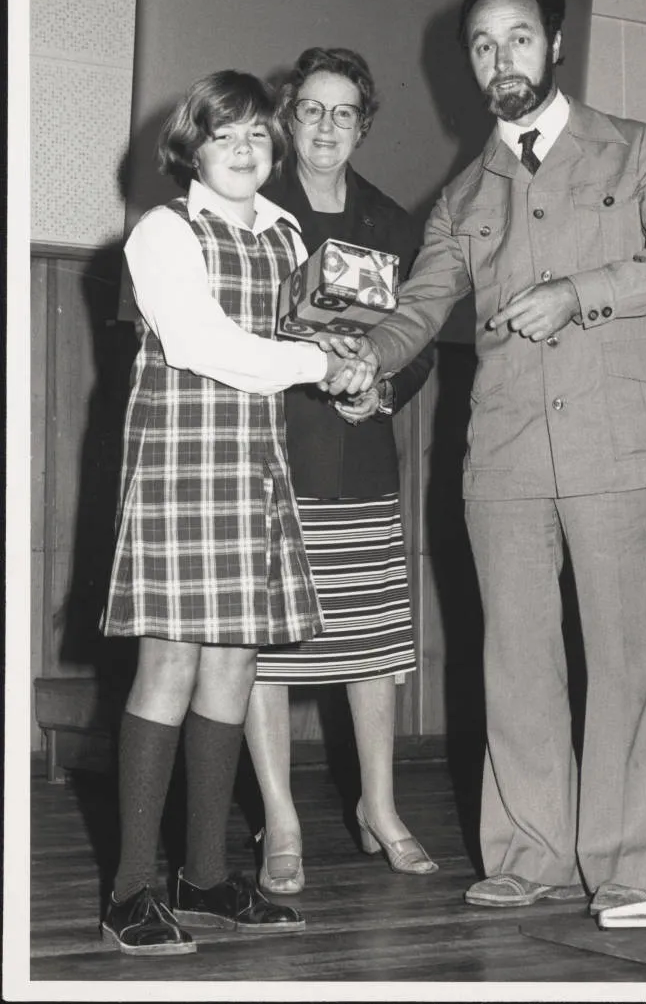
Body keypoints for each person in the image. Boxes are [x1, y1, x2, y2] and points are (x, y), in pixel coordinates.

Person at [335, 0, 646, 915]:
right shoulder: (466, 191)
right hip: (504, 453)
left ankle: (629, 864)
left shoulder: (632, 149)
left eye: (516, 39)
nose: (499, 60)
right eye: (480, 45)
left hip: (618, 439)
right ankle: (529, 854)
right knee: (515, 657)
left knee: (627, 657)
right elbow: (419, 303)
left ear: (553, 44)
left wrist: (579, 293)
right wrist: (367, 363)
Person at [99, 69, 371, 955]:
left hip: (255, 465)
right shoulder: (162, 231)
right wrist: (314, 365)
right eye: (226, 135)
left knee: (233, 669)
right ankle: (132, 889)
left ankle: (207, 879)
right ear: (193, 146)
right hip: (181, 463)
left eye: (259, 134)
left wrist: (351, 358)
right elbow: (202, 343)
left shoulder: (289, 233)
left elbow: (308, 334)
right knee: (172, 663)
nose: (246, 149)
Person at [244, 47, 437, 895]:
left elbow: (419, 344)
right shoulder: (253, 212)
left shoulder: (393, 223)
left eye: (344, 112)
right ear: (290, 117)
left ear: (364, 125)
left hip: (359, 456)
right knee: (263, 652)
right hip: (270, 455)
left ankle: (379, 807)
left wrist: (381, 387)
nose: (327, 126)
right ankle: (280, 818)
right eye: (312, 110)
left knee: (371, 646)